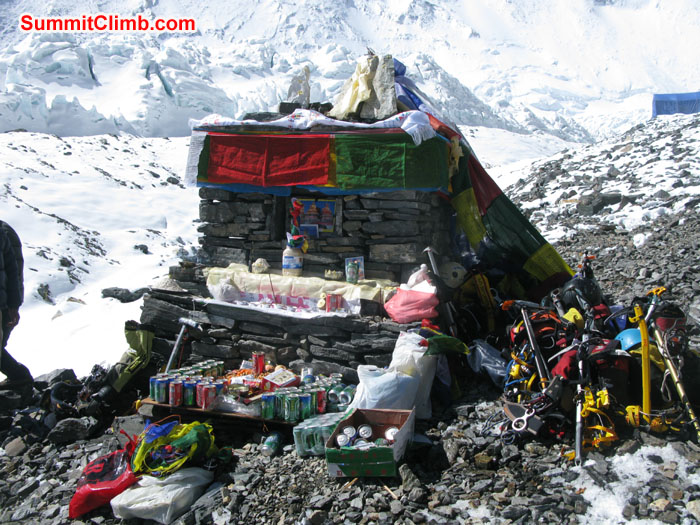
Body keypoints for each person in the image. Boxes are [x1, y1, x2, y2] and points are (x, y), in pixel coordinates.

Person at [0, 220, 33, 389]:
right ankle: (19, 376)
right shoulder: (5, 231)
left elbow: (13, 272)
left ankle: (19, 376)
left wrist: (12, 305)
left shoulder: (4, 232)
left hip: (5, 305)